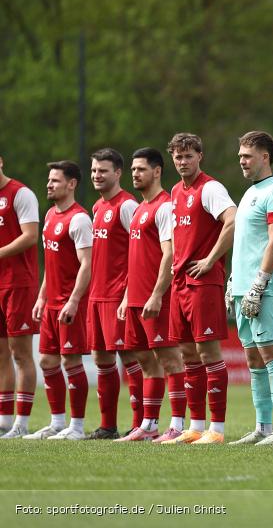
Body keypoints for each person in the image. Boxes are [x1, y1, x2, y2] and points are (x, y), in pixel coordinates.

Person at [164, 133, 236, 445]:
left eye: (188, 156)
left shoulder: (211, 188)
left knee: (208, 351)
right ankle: (195, 427)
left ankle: (217, 430)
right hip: (180, 281)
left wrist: (210, 259)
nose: (183, 161)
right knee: (187, 354)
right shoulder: (175, 191)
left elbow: (232, 221)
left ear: (200, 156)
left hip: (203, 281)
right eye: (178, 157)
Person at [115, 148, 187, 443]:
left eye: (141, 169)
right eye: (133, 169)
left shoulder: (165, 206)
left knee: (170, 360)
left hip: (157, 298)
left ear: (157, 171)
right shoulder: (138, 209)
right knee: (145, 360)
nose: (135, 173)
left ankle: (179, 425)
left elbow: (169, 255)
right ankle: (149, 424)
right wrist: (127, 296)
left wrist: (157, 294)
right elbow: (136, 259)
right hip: (135, 299)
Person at [228, 131, 273, 447]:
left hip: (265, 289)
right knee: (254, 361)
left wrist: (258, 284)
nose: (242, 160)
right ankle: (262, 427)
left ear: (264, 157)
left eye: (247, 155)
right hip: (244, 289)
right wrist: (235, 282)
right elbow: (247, 245)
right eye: (240, 155)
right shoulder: (250, 193)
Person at [24, 161, 93, 440]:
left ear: (72, 184)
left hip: (69, 305)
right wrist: (42, 296)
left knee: (71, 362)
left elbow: (87, 265)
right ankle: (56, 422)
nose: (49, 184)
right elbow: (50, 265)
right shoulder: (51, 215)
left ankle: (76, 427)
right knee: (47, 362)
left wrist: (74, 301)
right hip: (51, 303)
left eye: (55, 180)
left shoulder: (79, 219)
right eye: (49, 180)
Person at [85, 148, 142, 439]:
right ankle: (107, 426)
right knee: (102, 361)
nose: (97, 175)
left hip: (118, 295)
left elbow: (140, 251)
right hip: (96, 295)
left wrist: (128, 294)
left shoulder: (127, 206)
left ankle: (140, 424)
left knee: (130, 357)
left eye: (103, 171)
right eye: (94, 170)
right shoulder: (97, 208)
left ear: (118, 173)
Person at [0, 155, 40, 438]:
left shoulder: (20, 193)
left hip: (18, 283)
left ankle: (21, 422)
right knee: (1, 354)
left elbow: (30, 235)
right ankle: (4, 421)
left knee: (21, 353)